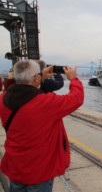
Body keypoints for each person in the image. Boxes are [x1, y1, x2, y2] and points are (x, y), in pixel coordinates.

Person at [0, 59, 84, 192]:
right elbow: (77, 98)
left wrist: (40, 78)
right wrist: (74, 79)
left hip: (15, 165)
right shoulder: (46, 103)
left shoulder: (3, 99)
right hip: (39, 169)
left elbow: (25, 93)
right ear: (36, 78)